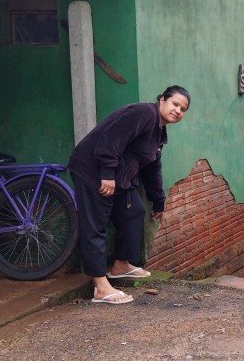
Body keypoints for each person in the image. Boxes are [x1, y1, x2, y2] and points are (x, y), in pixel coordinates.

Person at [68, 86, 190, 304]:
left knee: (134, 211)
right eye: (175, 104)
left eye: (183, 109)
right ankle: (100, 287)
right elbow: (111, 138)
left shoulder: (159, 132)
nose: (178, 111)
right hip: (92, 171)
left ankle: (121, 265)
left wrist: (159, 202)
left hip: (120, 178)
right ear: (162, 100)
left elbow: (152, 168)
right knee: (96, 224)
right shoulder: (142, 113)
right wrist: (106, 173)